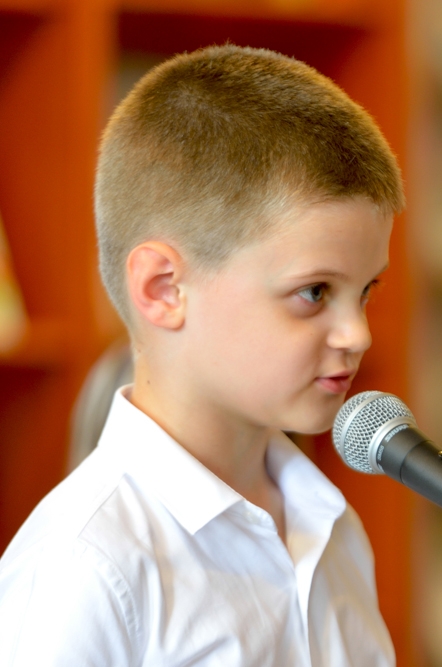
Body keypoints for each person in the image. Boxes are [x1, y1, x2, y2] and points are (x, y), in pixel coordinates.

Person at [0, 45, 403, 665]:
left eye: (366, 291)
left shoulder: (332, 526)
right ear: (164, 289)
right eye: (315, 292)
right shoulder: (81, 568)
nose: (358, 334)